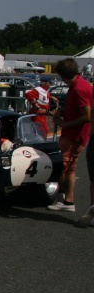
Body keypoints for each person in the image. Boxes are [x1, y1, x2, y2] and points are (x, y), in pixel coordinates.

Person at [47, 58, 93, 212]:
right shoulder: (79, 84)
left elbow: (86, 115)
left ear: (62, 74)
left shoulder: (79, 88)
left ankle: (64, 195)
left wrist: (63, 123)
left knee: (60, 166)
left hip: (74, 134)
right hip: (75, 133)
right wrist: (64, 111)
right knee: (71, 168)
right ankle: (68, 201)